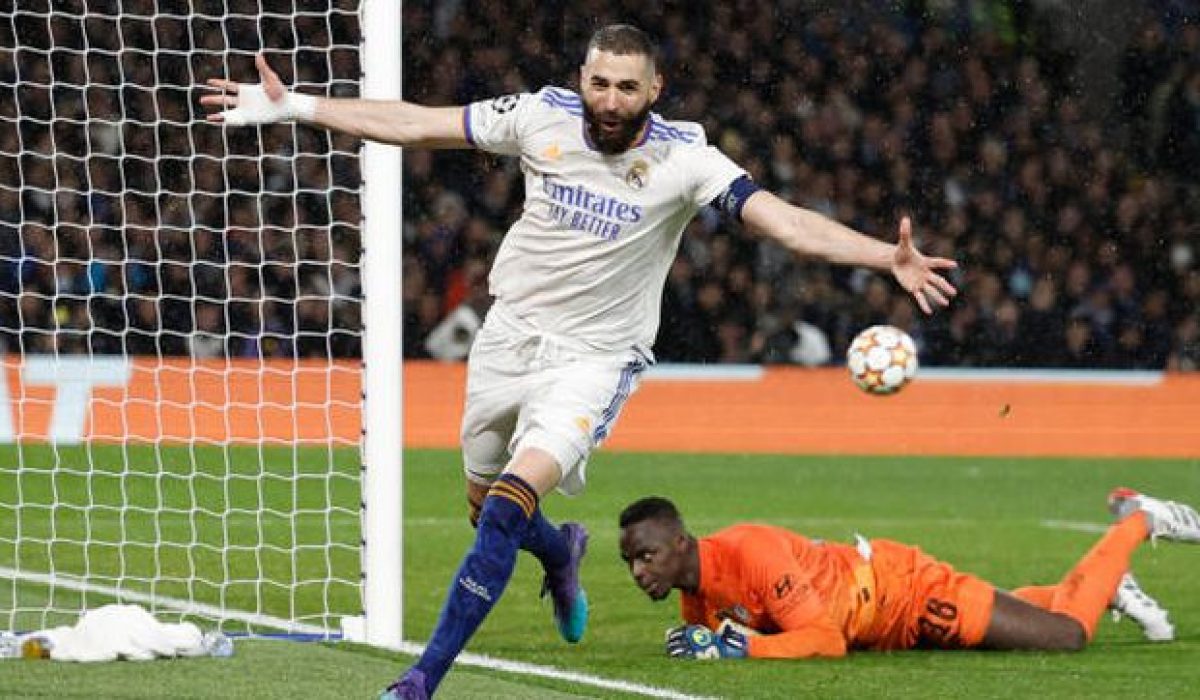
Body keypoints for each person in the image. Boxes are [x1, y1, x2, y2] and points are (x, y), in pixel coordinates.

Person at [201, 24, 959, 698]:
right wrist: (297, 106)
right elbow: (418, 125)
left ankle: (421, 680)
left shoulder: (686, 160)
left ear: (654, 90)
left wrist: (880, 258)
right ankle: (561, 551)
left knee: (502, 509)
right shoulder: (538, 117)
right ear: (582, 78)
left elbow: (782, 222)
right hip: (507, 339)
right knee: (483, 507)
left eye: (627, 86)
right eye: (598, 81)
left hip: (593, 361)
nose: (609, 98)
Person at [616, 487, 1196, 661]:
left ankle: (1139, 519)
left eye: (646, 556)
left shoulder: (750, 550)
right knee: (1023, 615)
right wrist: (707, 643)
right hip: (888, 623)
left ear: (681, 543)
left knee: (1066, 635)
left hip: (910, 595)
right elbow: (749, 630)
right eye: (631, 563)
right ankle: (1108, 584)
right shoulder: (695, 596)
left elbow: (824, 640)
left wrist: (742, 651)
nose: (639, 571)